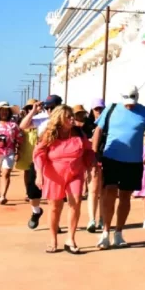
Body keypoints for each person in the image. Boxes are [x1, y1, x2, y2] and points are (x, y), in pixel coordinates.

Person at [92, 85, 145, 249]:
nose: (130, 105)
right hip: (111, 157)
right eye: (127, 101)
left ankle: (119, 233)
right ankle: (105, 233)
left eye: (132, 101)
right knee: (109, 193)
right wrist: (94, 154)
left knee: (125, 197)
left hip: (133, 161)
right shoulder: (111, 109)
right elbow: (98, 131)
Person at [33, 105, 95, 253]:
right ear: (59, 118)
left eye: (72, 116)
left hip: (75, 173)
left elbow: (87, 150)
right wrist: (39, 173)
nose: (72, 119)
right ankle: (53, 239)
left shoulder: (79, 132)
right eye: (68, 117)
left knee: (76, 203)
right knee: (55, 207)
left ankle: (70, 239)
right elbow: (39, 154)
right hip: (54, 174)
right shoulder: (49, 134)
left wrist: (91, 164)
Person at [20, 95, 63, 229]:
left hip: (57, 161)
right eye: (47, 107)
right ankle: (36, 211)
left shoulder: (65, 120)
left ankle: (55, 223)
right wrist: (33, 111)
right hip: (40, 159)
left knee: (54, 195)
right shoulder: (41, 119)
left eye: (52, 107)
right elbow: (23, 126)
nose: (50, 110)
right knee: (33, 193)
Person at [85, 98, 105, 232]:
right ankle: (92, 219)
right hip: (92, 160)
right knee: (93, 189)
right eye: (96, 109)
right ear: (92, 111)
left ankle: (102, 219)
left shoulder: (109, 123)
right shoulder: (87, 125)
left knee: (104, 191)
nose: (98, 111)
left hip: (107, 159)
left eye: (101, 109)